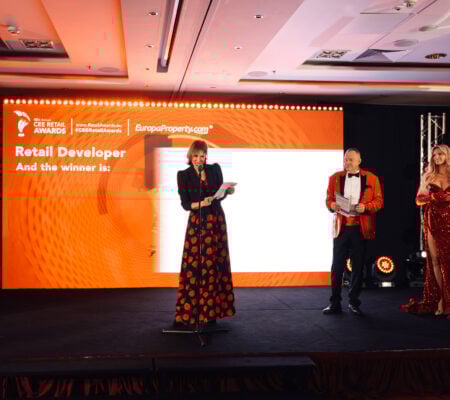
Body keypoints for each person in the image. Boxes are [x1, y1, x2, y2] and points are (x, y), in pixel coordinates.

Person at [173, 140, 236, 328]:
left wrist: (227, 191)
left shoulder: (214, 169)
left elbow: (219, 195)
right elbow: (185, 204)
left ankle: (211, 312)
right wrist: (202, 203)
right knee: (195, 265)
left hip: (216, 221)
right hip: (198, 223)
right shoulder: (183, 175)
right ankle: (191, 312)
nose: (199, 159)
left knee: (216, 263)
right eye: (196, 156)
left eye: (202, 156)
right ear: (190, 156)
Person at [323, 148, 384, 316]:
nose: (347, 162)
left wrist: (366, 207)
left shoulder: (372, 178)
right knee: (337, 267)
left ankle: (354, 302)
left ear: (359, 161)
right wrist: (332, 205)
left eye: (351, 159)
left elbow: (379, 201)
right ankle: (334, 303)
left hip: (360, 228)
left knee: (358, 266)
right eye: (345, 159)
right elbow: (328, 199)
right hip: (341, 228)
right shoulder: (335, 178)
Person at [401, 144, 450, 316]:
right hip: (433, 220)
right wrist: (435, 196)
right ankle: (442, 300)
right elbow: (419, 200)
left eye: (440, 154)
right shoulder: (428, 175)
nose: (437, 157)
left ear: (447, 155)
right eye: (434, 155)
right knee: (436, 260)